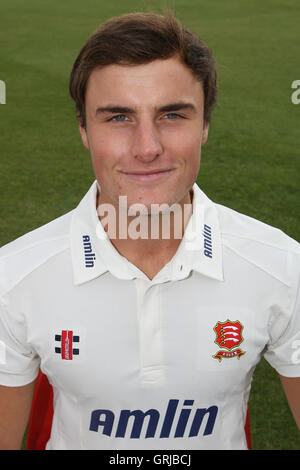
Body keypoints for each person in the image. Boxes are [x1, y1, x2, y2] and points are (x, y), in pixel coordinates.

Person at [0, 12, 299, 451]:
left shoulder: (282, 266)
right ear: (84, 129)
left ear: (206, 126)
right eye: (118, 117)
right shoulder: (14, 276)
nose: (147, 147)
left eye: (172, 114)